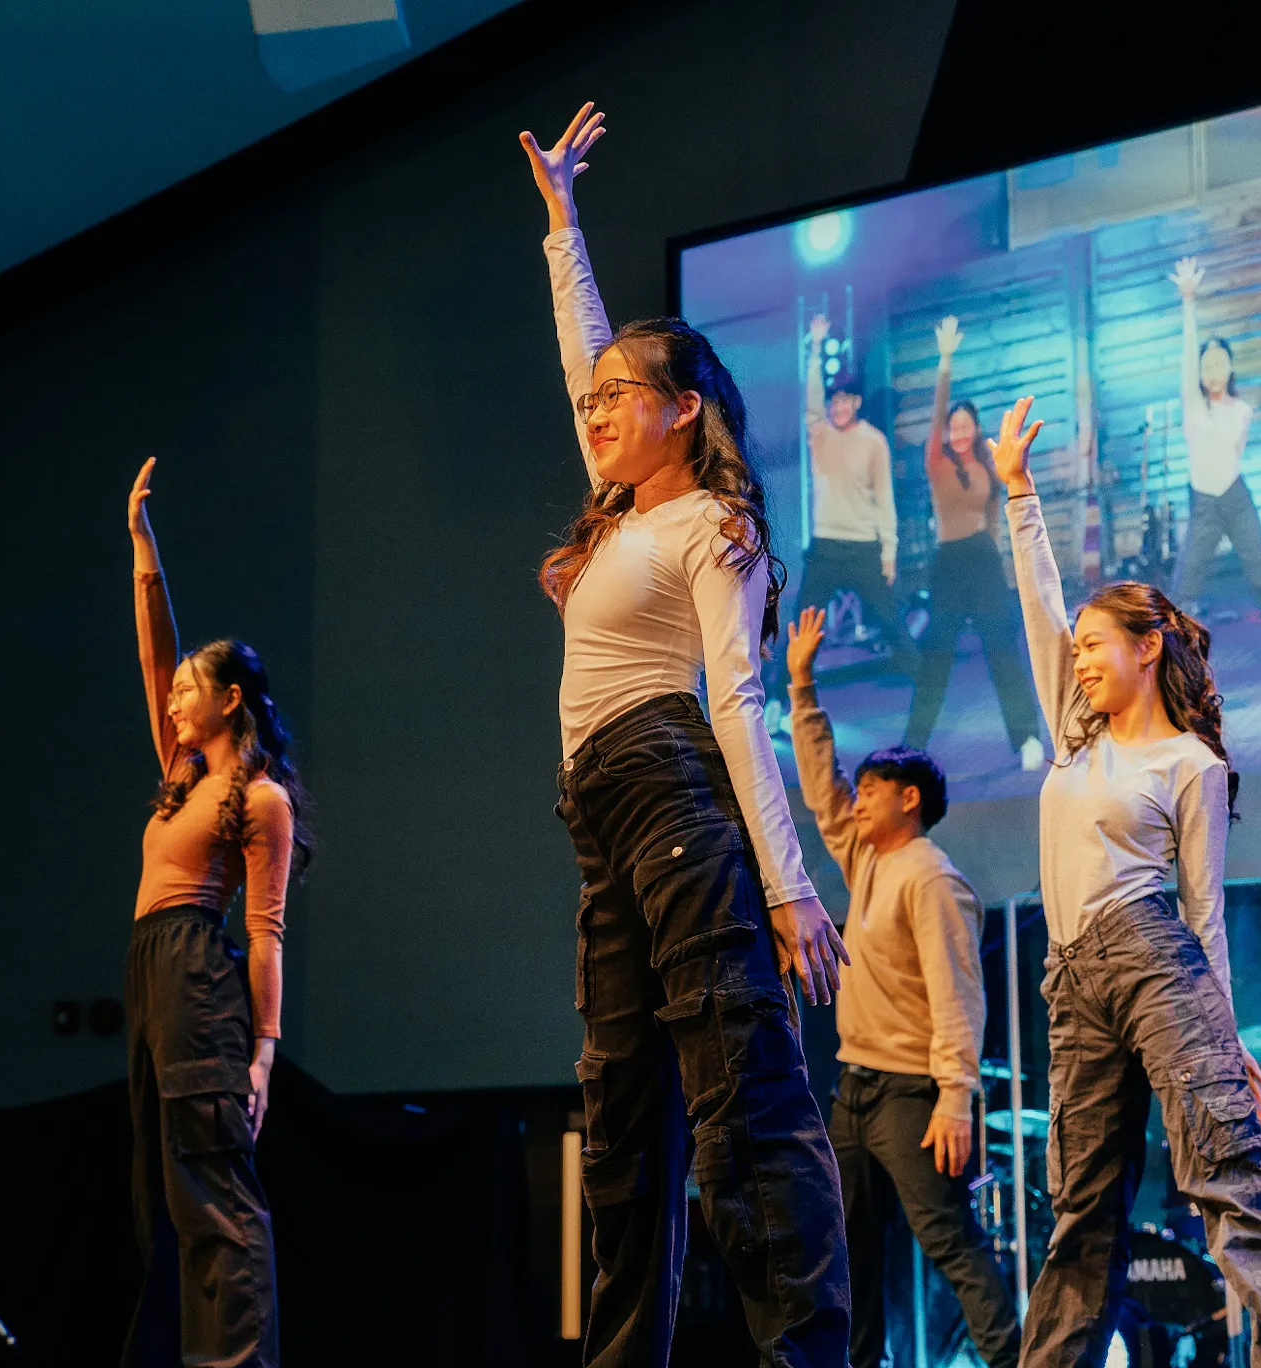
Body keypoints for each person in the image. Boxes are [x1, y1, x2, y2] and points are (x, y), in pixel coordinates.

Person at [520, 102, 853, 1367]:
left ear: (681, 413)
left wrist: (786, 889)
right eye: (594, 396)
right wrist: (564, 223)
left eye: (621, 397)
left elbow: (734, 706)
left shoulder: (710, 528)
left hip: (673, 794)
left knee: (737, 1097)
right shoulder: (624, 509)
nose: (595, 408)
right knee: (620, 1118)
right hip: (604, 815)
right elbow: (581, 356)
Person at [986, 395, 1261, 1367]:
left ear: (1146, 649)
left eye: (1097, 645)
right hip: (1071, 980)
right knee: (1077, 1215)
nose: (1079, 658)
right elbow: (1035, 603)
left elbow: (1201, 915)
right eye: (1078, 648)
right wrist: (1016, 491)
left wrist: (1219, 1025)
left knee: (1227, 1183)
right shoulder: (1073, 727)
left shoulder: (1189, 764)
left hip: (1152, 959)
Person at [785, 604, 1022, 1368]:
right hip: (856, 1091)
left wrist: (957, 1095)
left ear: (908, 799)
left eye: (873, 789)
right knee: (850, 1251)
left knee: (952, 1243)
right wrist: (801, 688)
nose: (857, 798)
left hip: (912, 1095)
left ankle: (1012, 1359)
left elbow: (960, 992)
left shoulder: (930, 878)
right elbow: (822, 793)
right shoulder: (872, 863)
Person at [123, 457, 309, 1368]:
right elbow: (158, 650)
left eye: (191, 691)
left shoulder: (258, 798)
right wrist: (143, 547)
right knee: (164, 1190)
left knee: (215, 1190)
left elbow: (268, 933)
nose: (172, 700)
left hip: (200, 974)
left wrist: (265, 1049)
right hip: (150, 973)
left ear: (230, 699)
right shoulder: (182, 774)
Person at [905, 316, 1044, 770]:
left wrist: (1002, 564)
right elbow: (938, 408)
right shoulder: (936, 462)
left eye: (967, 425)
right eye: (954, 427)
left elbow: (993, 520)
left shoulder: (986, 464)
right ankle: (913, 746)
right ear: (946, 432)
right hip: (948, 562)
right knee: (936, 659)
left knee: (1002, 648)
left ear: (975, 428)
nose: (960, 432)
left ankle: (1025, 739)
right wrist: (944, 362)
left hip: (984, 561)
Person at [1165, 257, 1261, 690]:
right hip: (1204, 502)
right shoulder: (1193, 407)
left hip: (1236, 496)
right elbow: (1188, 356)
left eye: (1219, 363)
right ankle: (1172, 672)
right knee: (1184, 587)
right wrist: (1188, 303)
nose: (1211, 371)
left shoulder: (1243, 411)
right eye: (1206, 365)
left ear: (1230, 369)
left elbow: (1233, 455)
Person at [788, 312, 914, 674]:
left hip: (863, 546)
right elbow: (811, 401)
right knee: (801, 625)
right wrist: (814, 349)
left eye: (846, 400)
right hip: (827, 546)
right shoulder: (820, 434)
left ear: (857, 402)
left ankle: (924, 686)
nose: (838, 407)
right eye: (834, 401)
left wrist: (889, 553)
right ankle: (781, 698)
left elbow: (884, 499)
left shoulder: (874, 441)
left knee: (891, 622)